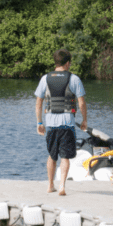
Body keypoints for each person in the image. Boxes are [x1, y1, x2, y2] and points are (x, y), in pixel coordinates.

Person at [34, 49, 87, 196]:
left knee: (52, 155)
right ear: (68, 63)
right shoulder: (74, 79)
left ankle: (50, 185)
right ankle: (62, 185)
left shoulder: (45, 79)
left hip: (51, 123)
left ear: (55, 62)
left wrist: (39, 123)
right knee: (65, 157)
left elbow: (38, 103)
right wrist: (84, 120)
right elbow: (81, 103)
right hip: (67, 123)